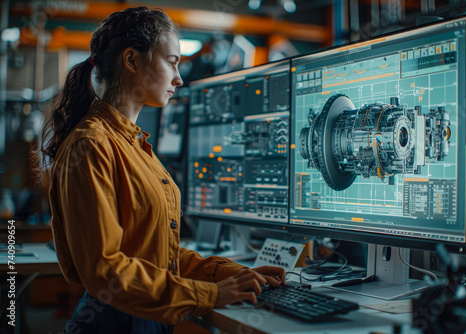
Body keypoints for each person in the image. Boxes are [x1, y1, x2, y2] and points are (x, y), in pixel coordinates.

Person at [38, 7, 286, 334]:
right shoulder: (92, 146)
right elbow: (106, 271)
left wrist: (227, 273)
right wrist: (212, 294)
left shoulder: (137, 146)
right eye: (171, 62)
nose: (179, 77)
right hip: (115, 323)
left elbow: (156, 256)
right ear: (132, 60)